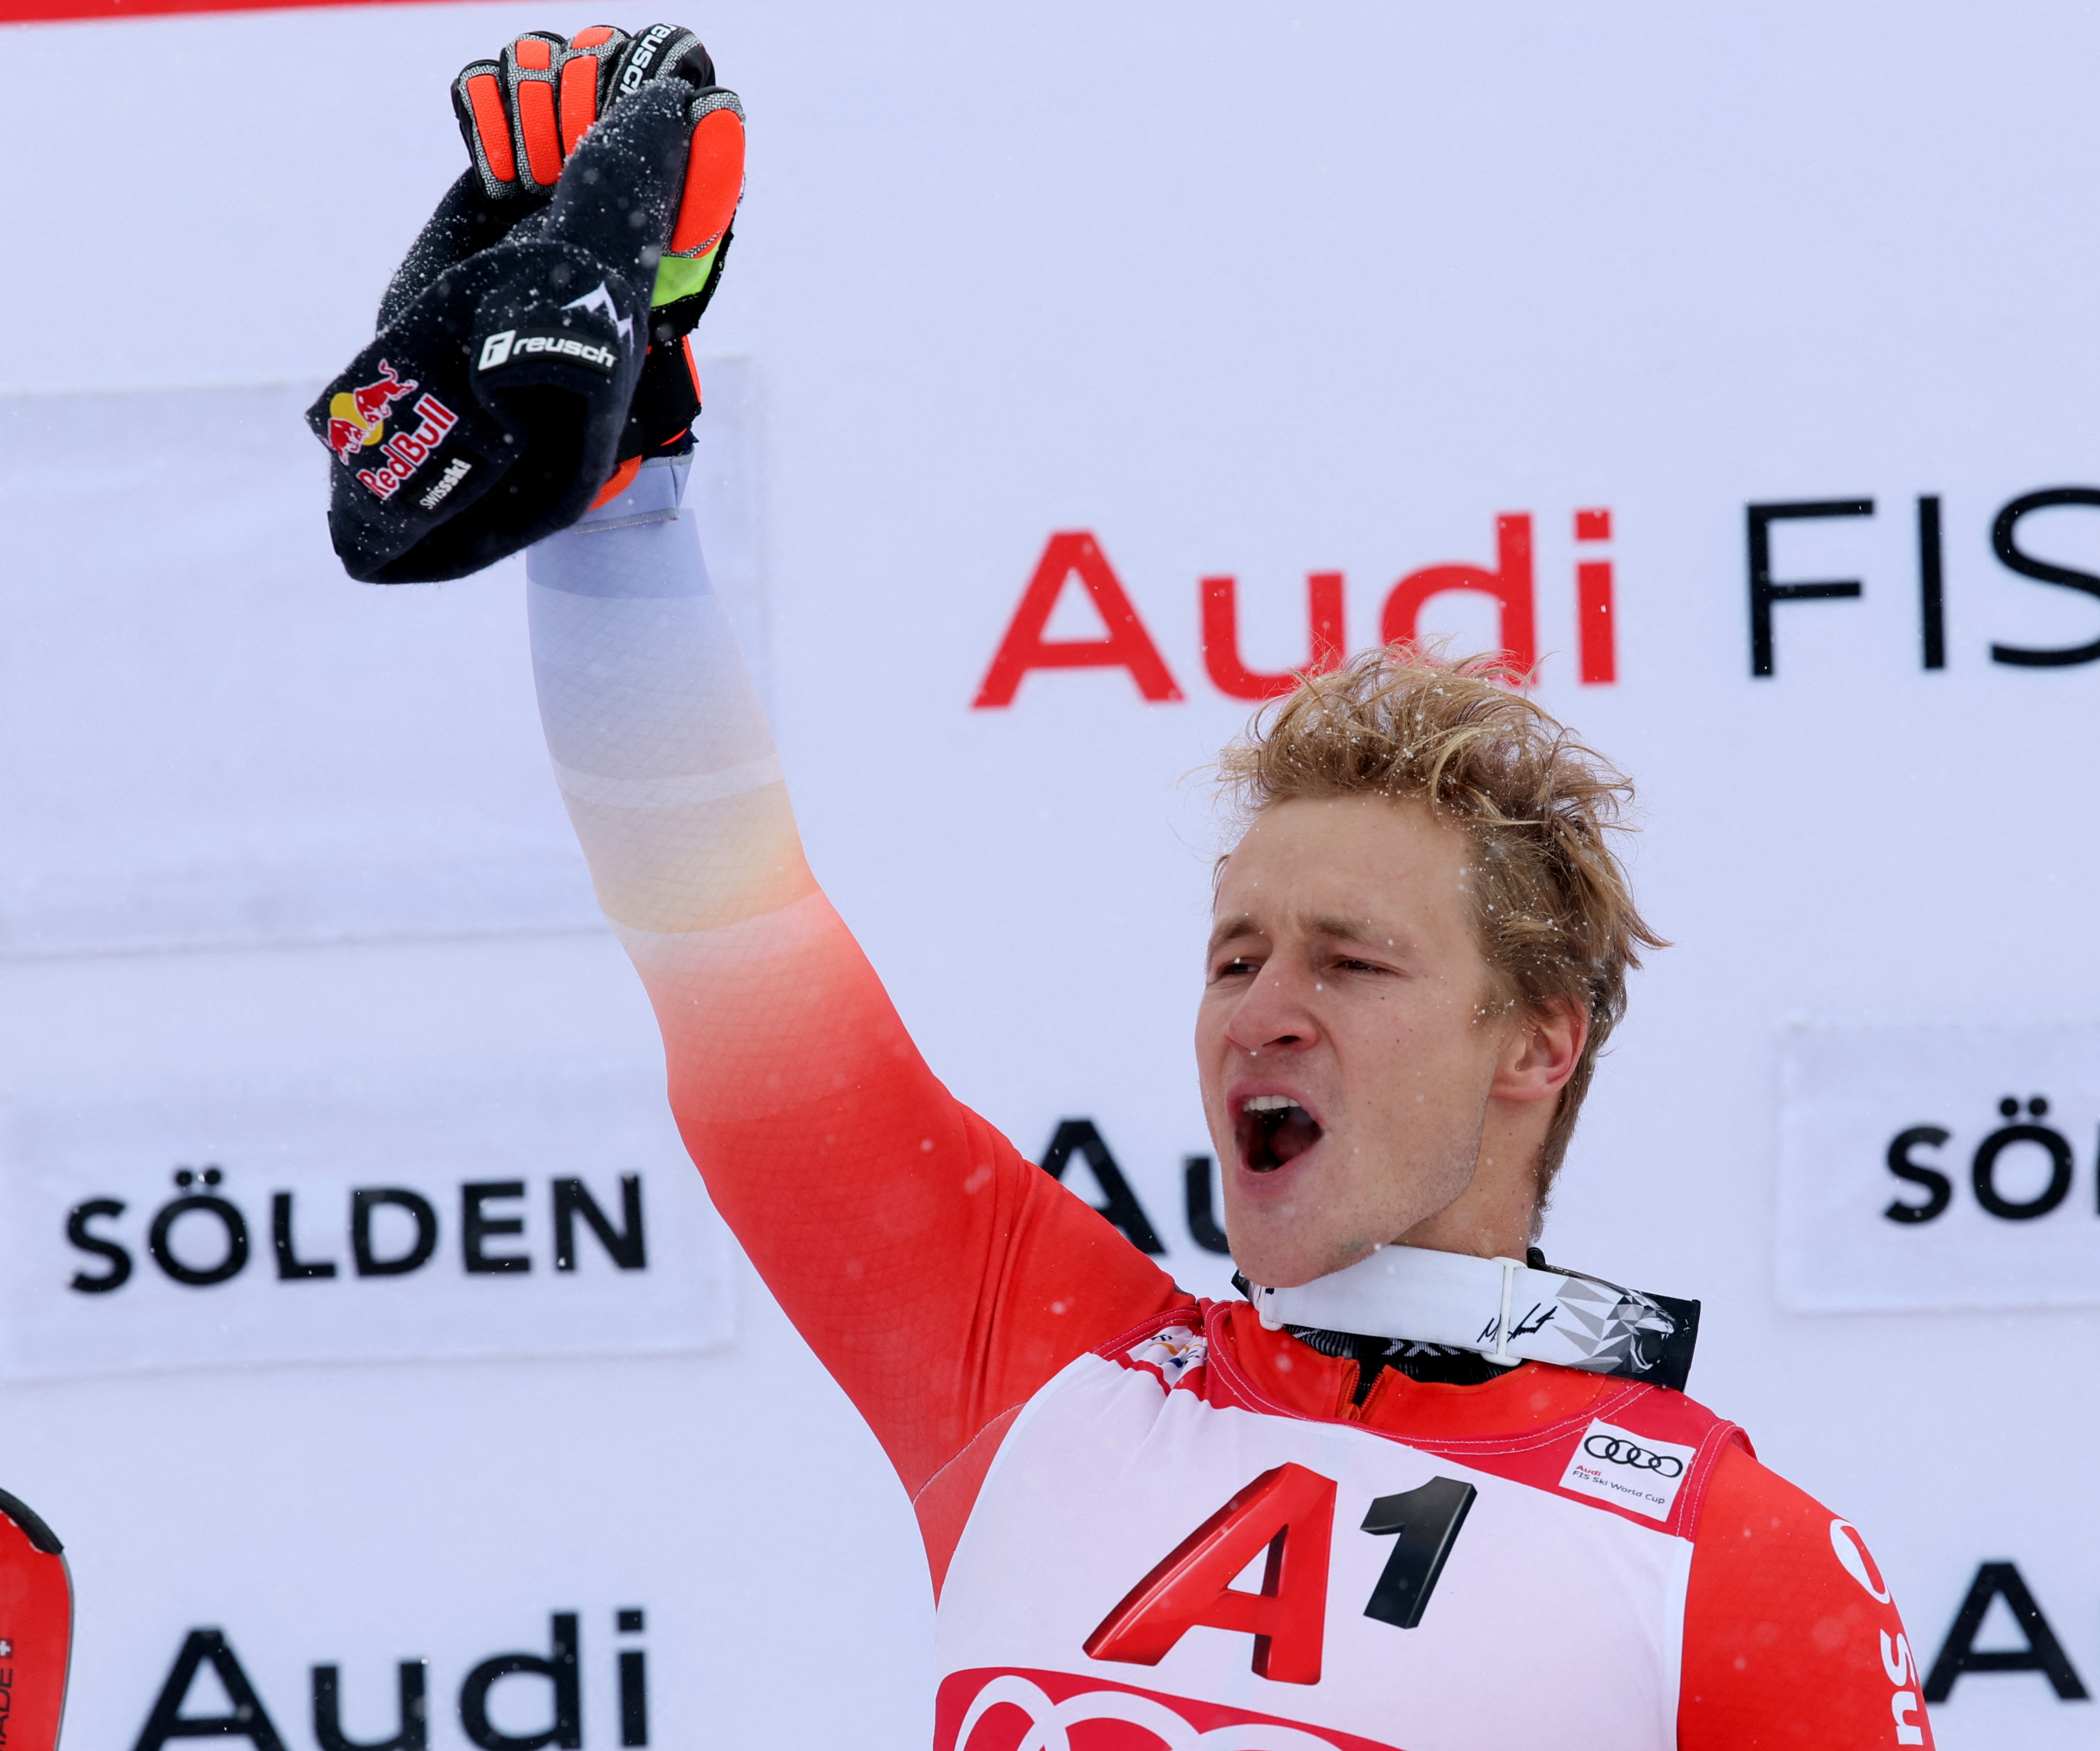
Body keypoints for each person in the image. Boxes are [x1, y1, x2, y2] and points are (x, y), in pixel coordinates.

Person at [313, 28, 1937, 1750]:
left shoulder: (1728, 1564)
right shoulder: (1034, 1367)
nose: (1263, 1010)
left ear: (1536, 1039)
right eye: (1234, 956)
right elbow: (718, 929)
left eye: (1352, 961)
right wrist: (616, 489)